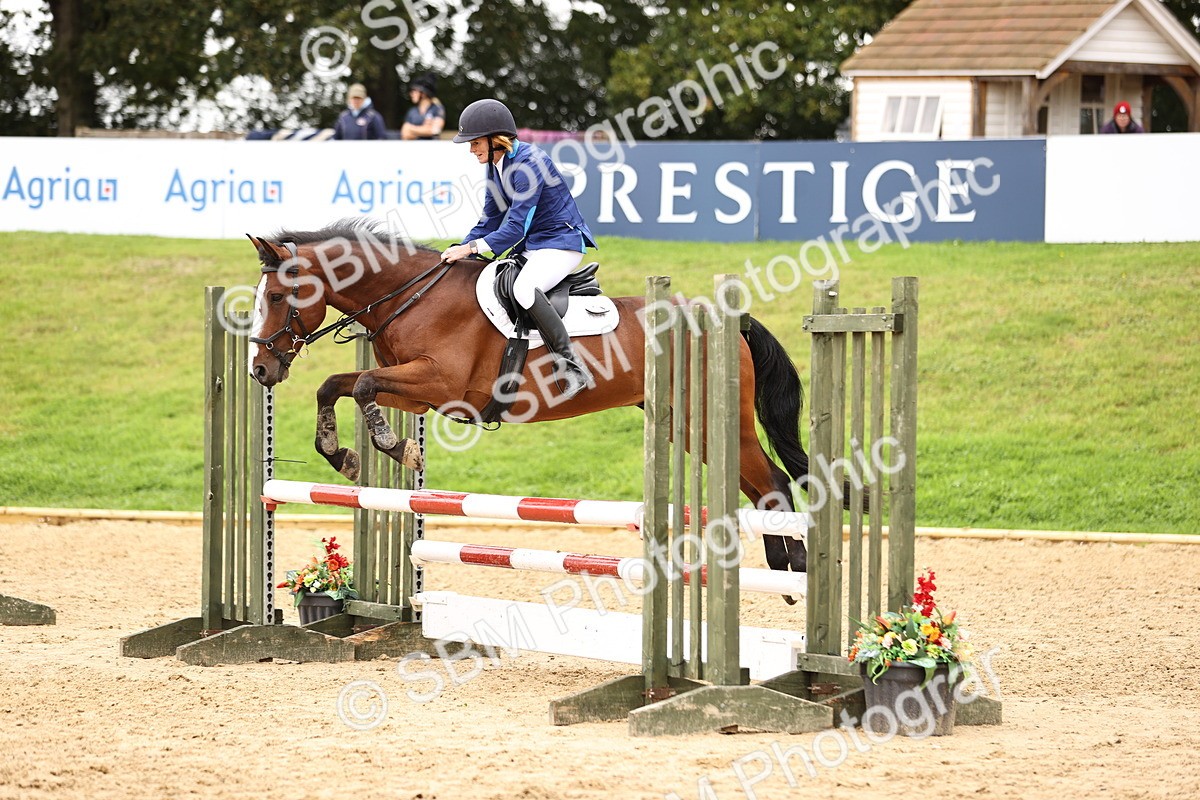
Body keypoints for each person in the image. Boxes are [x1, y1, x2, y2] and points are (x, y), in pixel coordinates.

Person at [440, 98, 597, 401]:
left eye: (474, 143)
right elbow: (491, 218)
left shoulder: (529, 163)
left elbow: (515, 227)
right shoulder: (497, 164)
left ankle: (573, 366)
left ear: (495, 139)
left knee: (525, 289)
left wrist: (472, 247)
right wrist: (462, 247)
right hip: (536, 245)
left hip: (561, 243)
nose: (471, 150)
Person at [400, 73, 446, 140]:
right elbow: (405, 134)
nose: (411, 94)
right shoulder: (412, 111)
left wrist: (411, 129)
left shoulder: (437, 108)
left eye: (415, 91)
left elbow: (435, 130)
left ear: (423, 93)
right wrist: (425, 129)